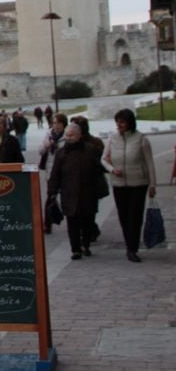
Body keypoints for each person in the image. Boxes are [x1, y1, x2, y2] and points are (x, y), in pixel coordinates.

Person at [104, 109, 157, 263]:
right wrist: (112, 169)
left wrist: (153, 184)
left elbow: (149, 163)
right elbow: (104, 160)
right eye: (117, 122)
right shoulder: (112, 139)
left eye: (122, 122)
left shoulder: (141, 139)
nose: (118, 125)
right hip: (119, 183)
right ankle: (129, 244)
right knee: (124, 216)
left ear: (130, 123)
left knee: (135, 216)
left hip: (138, 183)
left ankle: (132, 249)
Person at [47, 122, 103, 260]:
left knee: (88, 221)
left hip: (88, 192)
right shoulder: (61, 153)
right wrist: (52, 191)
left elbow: (98, 170)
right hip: (69, 192)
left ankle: (86, 245)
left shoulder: (89, 150)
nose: (68, 138)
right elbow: (55, 174)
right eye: (67, 135)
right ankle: (76, 249)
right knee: (72, 222)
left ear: (79, 136)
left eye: (72, 135)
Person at [70, 115, 106, 246]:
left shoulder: (94, 143)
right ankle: (88, 231)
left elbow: (101, 164)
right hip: (76, 184)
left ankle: (90, 230)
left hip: (92, 183)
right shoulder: (70, 144)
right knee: (79, 211)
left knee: (90, 211)